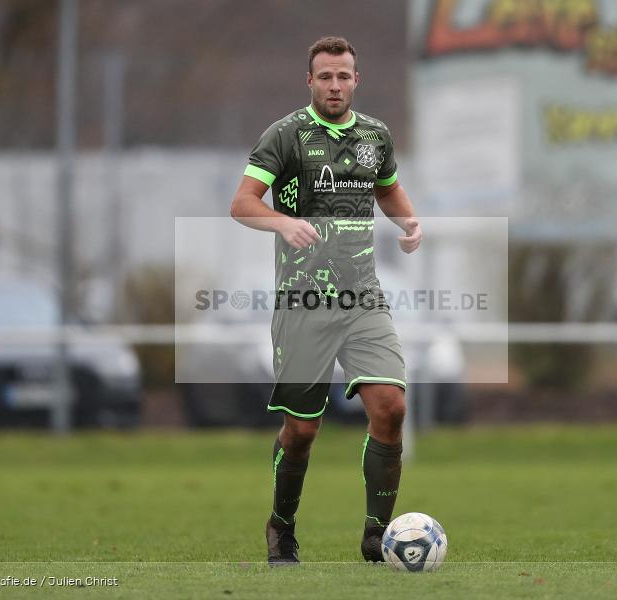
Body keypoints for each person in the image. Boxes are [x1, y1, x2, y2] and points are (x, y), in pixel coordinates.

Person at [230, 35, 421, 565]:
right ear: (309, 81)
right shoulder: (286, 136)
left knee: (392, 406)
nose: (335, 85)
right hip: (303, 300)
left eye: (343, 76)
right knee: (302, 430)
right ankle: (281, 524)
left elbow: (386, 188)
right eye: (325, 76)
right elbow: (242, 203)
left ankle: (377, 535)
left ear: (356, 80)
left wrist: (407, 220)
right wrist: (283, 223)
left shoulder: (375, 135)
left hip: (363, 297)